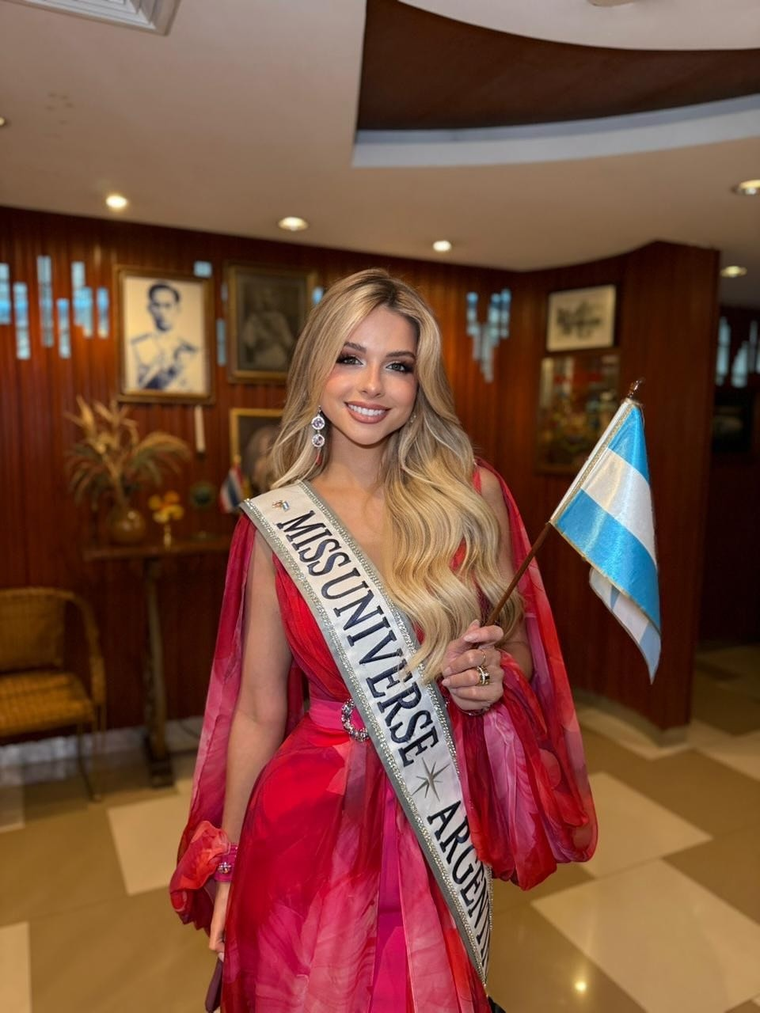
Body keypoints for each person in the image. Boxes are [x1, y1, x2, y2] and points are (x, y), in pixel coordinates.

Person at [171, 269, 597, 1012]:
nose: (373, 384)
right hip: (304, 822)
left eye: (397, 365)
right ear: (315, 370)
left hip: (429, 806)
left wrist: (493, 676)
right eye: (349, 356)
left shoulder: (470, 495)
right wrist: (231, 865)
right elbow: (258, 709)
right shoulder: (276, 521)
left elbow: (521, 650)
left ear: (419, 381)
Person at [129, 282, 202, 392]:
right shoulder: (137, 346)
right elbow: (134, 389)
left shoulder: (190, 350)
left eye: (168, 306)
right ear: (150, 308)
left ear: (177, 309)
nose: (162, 312)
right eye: (157, 305)